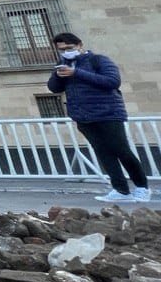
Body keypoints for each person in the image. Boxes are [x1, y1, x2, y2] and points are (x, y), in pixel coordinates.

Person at [48, 33, 150, 203]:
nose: (66, 52)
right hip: (83, 116)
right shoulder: (62, 65)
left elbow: (112, 81)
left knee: (122, 150)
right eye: (62, 50)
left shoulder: (99, 60)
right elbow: (53, 88)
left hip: (108, 113)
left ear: (80, 45)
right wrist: (58, 76)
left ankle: (142, 187)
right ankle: (120, 190)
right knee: (103, 153)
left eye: (69, 48)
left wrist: (76, 73)